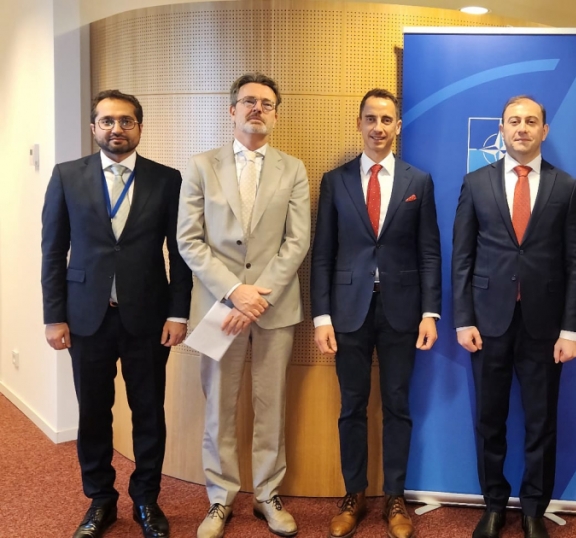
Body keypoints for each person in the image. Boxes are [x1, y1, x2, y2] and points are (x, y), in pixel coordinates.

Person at [41, 89, 193, 538]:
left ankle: (146, 499)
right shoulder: (67, 176)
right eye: (107, 121)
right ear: (94, 128)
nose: (116, 129)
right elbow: (53, 251)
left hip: (148, 318)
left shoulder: (167, 179)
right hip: (86, 317)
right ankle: (101, 501)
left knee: (149, 412)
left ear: (140, 127)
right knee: (93, 412)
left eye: (126, 121)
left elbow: (180, 255)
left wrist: (178, 314)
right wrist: (54, 316)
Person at [176, 73, 311, 538]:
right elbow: (189, 240)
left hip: (274, 306)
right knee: (219, 406)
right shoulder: (201, 166)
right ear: (231, 110)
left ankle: (268, 494)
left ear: (276, 115)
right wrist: (235, 290)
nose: (257, 109)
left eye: (266, 103)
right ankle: (220, 498)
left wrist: (257, 295)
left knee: (271, 404)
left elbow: (297, 241)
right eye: (249, 101)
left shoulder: (293, 169)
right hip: (217, 305)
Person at [453, 95, 576, 538]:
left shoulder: (566, 187)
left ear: (544, 131)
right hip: (487, 324)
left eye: (531, 121)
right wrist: (463, 319)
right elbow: (462, 257)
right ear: (502, 129)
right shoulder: (476, 183)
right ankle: (494, 504)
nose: (522, 128)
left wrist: (571, 328)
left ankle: (533, 509)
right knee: (489, 421)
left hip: (544, 328)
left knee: (541, 422)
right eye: (514, 121)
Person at [311, 88, 442, 538]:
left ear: (398, 126)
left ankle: (395, 497)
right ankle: (354, 494)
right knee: (352, 406)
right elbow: (323, 254)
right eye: (371, 118)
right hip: (348, 311)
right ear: (359, 123)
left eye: (387, 120)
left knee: (397, 406)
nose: (378, 127)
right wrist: (322, 317)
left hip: (402, 312)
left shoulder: (418, 181)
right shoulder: (335, 181)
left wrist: (430, 312)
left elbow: (429, 252)